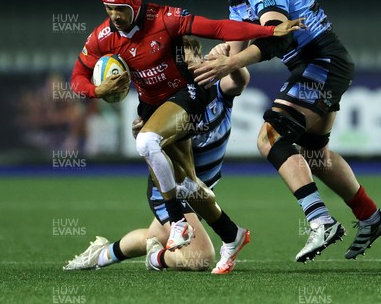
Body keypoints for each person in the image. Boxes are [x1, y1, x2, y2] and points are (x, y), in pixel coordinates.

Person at [70, 0, 301, 271]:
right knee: (197, 250)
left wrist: (266, 33)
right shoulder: (105, 37)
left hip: (188, 149)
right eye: (109, 8)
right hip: (167, 178)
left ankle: (112, 252)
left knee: (169, 191)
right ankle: (173, 237)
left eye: (121, 9)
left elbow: (219, 31)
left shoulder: (201, 68)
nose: (115, 15)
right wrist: (95, 90)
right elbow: (77, 77)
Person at [193, 0, 381, 262]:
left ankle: (321, 221)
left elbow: (279, 39)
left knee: (269, 138)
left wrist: (229, 61)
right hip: (322, 64)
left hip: (320, 61)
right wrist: (223, 58)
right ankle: (370, 216)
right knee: (316, 156)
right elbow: (239, 57)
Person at [64, 37, 250, 273]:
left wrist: (231, 62)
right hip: (175, 188)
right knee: (199, 257)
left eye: (185, 59)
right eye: (174, 62)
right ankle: (156, 258)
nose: (180, 67)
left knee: (156, 235)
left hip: (200, 189)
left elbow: (240, 81)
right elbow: (153, 144)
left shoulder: (214, 86)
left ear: (199, 56)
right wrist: (141, 131)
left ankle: (101, 254)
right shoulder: (169, 101)